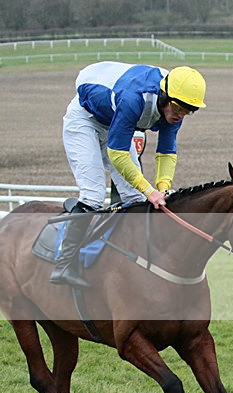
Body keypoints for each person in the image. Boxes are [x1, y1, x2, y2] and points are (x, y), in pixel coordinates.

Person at [52, 62, 207, 288]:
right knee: (93, 194)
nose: (181, 115)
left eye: (188, 111)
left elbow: (166, 151)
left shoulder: (176, 106)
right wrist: (149, 190)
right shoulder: (134, 98)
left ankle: (131, 260)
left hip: (116, 122)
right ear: (164, 96)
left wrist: (162, 186)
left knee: (135, 200)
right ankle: (64, 265)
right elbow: (117, 154)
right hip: (85, 120)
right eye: (177, 108)